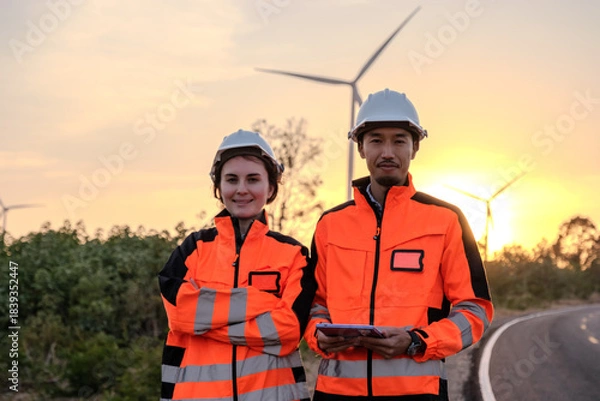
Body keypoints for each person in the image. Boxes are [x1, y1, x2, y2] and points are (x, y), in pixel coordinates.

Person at [305, 89, 494, 400]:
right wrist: (318, 336)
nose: (387, 152)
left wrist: (418, 341)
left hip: (417, 392)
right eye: (376, 140)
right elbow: (317, 304)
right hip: (336, 392)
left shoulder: (446, 220)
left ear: (415, 147)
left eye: (399, 140)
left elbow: (475, 309)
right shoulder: (330, 225)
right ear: (361, 148)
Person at [158, 129, 315, 401]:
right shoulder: (192, 250)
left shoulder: (293, 254)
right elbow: (180, 316)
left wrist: (207, 325)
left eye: (253, 179)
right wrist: (264, 303)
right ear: (218, 188)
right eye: (232, 179)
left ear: (271, 188)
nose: (242, 189)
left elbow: (288, 330)